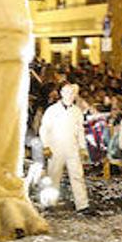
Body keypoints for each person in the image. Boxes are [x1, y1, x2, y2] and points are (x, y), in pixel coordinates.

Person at [39, 83, 91, 213]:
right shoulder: (52, 110)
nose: (69, 95)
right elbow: (44, 128)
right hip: (56, 147)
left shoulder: (77, 111)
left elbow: (80, 130)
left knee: (77, 175)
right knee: (54, 175)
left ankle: (82, 204)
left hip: (72, 147)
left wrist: (82, 147)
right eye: (66, 92)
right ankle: (49, 202)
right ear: (61, 93)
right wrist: (45, 145)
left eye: (72, 93)